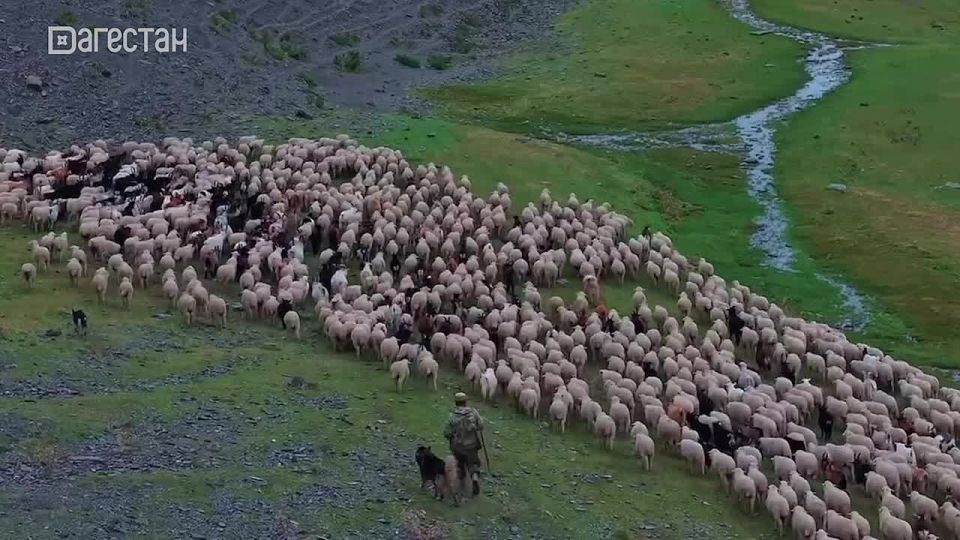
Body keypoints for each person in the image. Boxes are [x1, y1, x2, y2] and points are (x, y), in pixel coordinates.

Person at [443, 393, 485, 496]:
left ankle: (462, 483)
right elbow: (481, 425)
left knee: (460, 463)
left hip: (458, 446)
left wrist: (451, 435)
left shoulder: (452, 415)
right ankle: (474, 478)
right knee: (473, 463)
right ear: (466, 401)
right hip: (471, 445)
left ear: (456, 402)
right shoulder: (473, 412)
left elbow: (447, 432)